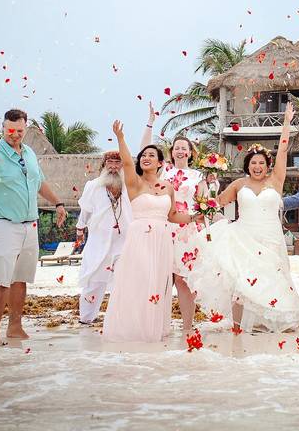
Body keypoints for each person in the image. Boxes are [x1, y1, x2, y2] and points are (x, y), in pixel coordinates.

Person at [183, 102, 299, 332]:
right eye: (253, 163)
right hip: (243, 237)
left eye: (261, 163)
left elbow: (283, 150)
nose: (257, 166)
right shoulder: (239, 184)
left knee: (272, 279)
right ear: (247, 165)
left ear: (267, 165)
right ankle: (237, 328)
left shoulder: (275, 181)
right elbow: (216, 203)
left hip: (270, 238)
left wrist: (287, 122)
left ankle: (274, 321)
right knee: (241, 284)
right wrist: (205, 203)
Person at [0, 109, 68, 347]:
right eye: (10, 131)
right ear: (3, 128)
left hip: (28, 224)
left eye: (20, 131)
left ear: (25, 128)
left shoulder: (30, 152)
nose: (15, 135)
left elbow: (39, 181)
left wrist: (58, 203)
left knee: (20, 278)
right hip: (2, 224)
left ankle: (15, 326)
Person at [102, 121, 183, 343]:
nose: (146, 158)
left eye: (151, 155)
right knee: (140, 280)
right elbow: (127, 162)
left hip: (163, 239)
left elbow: (173, 215)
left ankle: (152, 328)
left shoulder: (168, 187)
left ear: (160, 163)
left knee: (157, 283)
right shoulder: (135, 182)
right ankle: (134, 328)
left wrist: (197, 216)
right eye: (143, 155)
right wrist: (120, 138)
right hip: (141, 238)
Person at [141, 103, 203, 332]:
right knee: (163, 279)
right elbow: (145, 148)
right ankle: (159, 326)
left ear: (190, 153)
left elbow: (204, 204)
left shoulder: (198, 175)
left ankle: (188, 326)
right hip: (164, 228)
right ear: (171, 152)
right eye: (176, 147)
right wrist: (150, 121)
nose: (180, 151)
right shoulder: (162, 171)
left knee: (184, 280)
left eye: (184, 148)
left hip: (188, 232)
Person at [76, 151, 133, 324]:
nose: (114, 166)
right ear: (104, 164)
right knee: (94, 279)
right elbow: (85, 210)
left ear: (123, 166)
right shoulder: (93, 185)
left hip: (124, 240)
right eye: (110, 162)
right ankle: (86, 318)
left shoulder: (129, 186)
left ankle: (120, 319)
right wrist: (80, 228)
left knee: (124, 280)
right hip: (99, 240)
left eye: (118, 162)